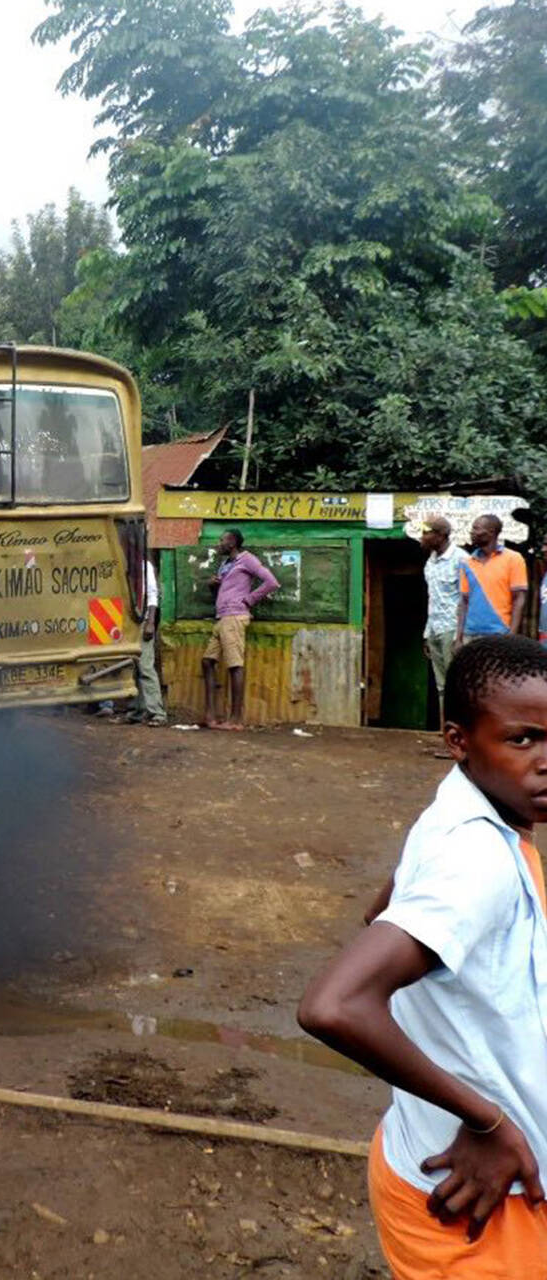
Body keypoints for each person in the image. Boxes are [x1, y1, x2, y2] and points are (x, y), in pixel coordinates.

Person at [298, 635, 547, 1275]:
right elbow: (334, 1006)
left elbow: (384, 907)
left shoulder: (468, 810)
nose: (546, 761)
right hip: (480, 1199)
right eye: (522, 740)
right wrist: (487, 1122)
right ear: (459, 740)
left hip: (443, 1155)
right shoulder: (478, 860)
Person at [202, 529, 279, 729]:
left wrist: (249, 599)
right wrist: (213, 585)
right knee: (207, 662)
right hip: (221, 617)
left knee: (235, 665)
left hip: (235, 617)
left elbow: (271, 582)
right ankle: (210, 715)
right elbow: (224, 589)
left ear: (232, 542)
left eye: (222, 540)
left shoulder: (247, 559)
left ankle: (236, 720)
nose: (218, 543)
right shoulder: (225, 564)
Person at [419, 516, 470, 716]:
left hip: (452, 629)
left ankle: (459, 732)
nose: (422, 537)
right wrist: (427, 633)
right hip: (435, 630)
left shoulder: (462, 560)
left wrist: (460, 636)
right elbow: (433, 600)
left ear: (440, 536)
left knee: (456, 684)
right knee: (442, 686)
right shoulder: (430, 563)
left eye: (426, 532)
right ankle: (445, 733)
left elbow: (468, 599)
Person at [456, 514, 527, 644]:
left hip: (500, 634)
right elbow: (463, 602)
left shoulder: (514, 559)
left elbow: (519, 599)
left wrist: (511, 635)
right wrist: (459, 638)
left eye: (476, 528)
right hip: (470, 635)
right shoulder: (466, 562)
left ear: (491, 532)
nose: (472, 532)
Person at [126, 555, 167, 726]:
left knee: (145, 666)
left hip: (142, 621)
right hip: (127, 624)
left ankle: (157, 712)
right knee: (133, 667)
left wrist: (150, 622)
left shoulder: (144, 566)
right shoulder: (124, 564)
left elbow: (152, 594)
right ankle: (138, 710)